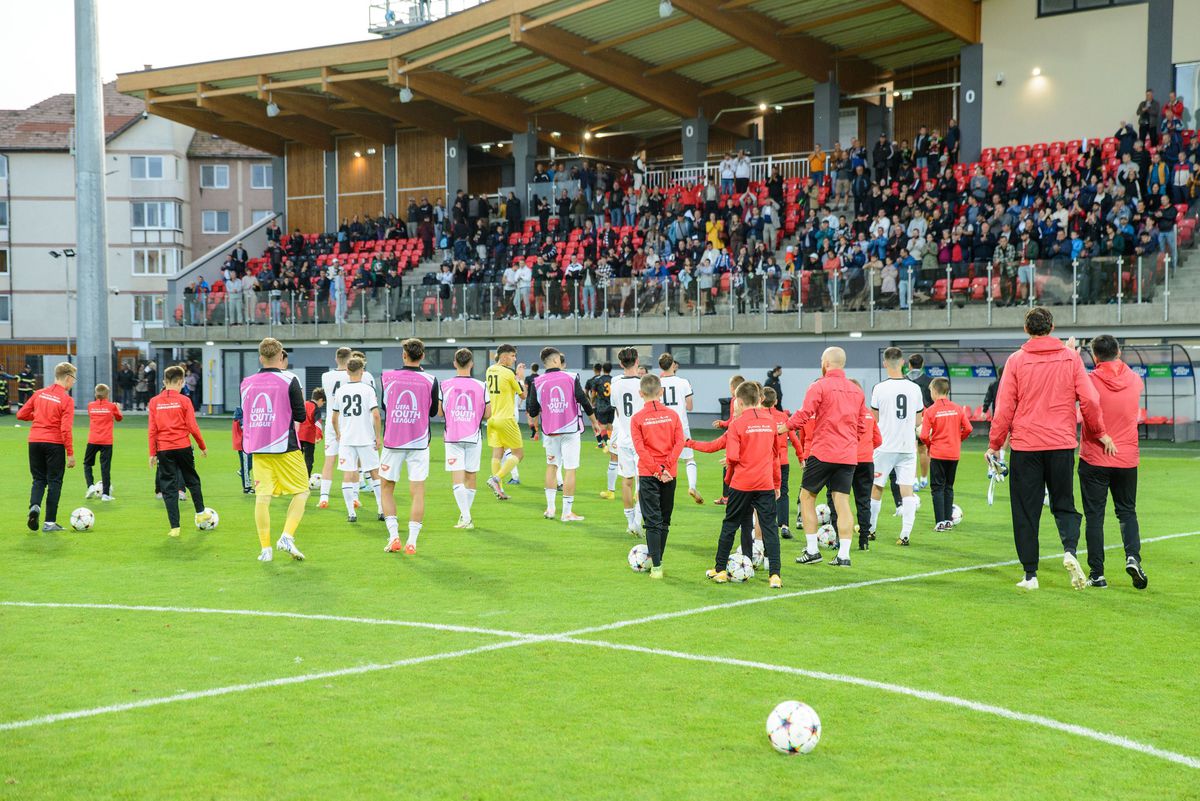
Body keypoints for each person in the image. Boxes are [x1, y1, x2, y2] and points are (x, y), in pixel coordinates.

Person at [987, 308, 1114, 591]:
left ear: (1026, 329)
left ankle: (1030, 575)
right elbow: (1090, 400)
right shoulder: (1070, 357)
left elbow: (1005, 406)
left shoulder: (1017, 360)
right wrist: (1098, 431)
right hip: (1061, 444)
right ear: (1053, 326)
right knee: (1064, 504)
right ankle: (1069, 549)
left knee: (1025, 511)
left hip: (1026, 446)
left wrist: (995, 444)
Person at [786, 347, 866, 567]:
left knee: (807, 497)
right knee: (842, 502)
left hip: (823, 452)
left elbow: (804, 415)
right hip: (848, 454)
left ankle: (812, 551)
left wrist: (784, 427)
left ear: (826, 363)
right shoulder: (856, 390)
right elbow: (861, 426)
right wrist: (848, 441)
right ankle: (844, 555)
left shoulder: (819, 386)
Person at [1078, 335, 1147, 589]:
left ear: (1095, 357)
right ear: (1118, 352)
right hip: (1126, 458)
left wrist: (1073, 356)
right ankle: (1133, 556)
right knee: (1127, 511)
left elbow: (1085, 405)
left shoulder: (1089, 381)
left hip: (1095, 457)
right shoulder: (1134, 379)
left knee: (1094, 517)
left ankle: (1097, 574)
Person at [702, 381, 783, 588]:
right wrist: (777, 483)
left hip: (742, 483)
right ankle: (775, 575)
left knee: (730, 524)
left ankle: (720, 570)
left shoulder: (736, 425)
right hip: (765, 482)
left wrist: (728, 478)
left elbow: (733, 457)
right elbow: (775, 456)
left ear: (738, 401)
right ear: (759, 399)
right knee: (769, 528)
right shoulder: (771, 422)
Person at [239, 338, 308, 562]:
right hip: (284, 445)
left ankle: (265, 549)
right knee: (302, 491)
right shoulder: (290, 379)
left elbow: (244, 413)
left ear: (261, 358)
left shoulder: (246, 382)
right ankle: (287, 536)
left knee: (263, 497)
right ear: (280, 357)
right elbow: (300, 415)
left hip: (258, 446)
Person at [380, 338, 439, 554]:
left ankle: (394, 536)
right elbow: (433, 412)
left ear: (404, 355)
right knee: (418, 492)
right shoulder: (431, 380)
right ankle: (412, 541)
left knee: (386, 488)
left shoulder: (387, 377)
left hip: (393, 441)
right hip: (419, 442)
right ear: (422, 356)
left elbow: (386, 405)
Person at [527, 347, 599, 522]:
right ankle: (567, 512)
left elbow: (532, 408)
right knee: (570, 469)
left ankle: (550, 509)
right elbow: (583, 400)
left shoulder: (537, 382)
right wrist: (594, 422)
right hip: (570, 430)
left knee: (551, 466)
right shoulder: (571, 377)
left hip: (550, 431)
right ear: (555, 360)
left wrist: (535, 425)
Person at [869, 348, 927, 546]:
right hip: (907, 446)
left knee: (877, 487)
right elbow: (919, 419)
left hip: (884, 445)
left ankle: (870, 530)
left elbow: (874, 419)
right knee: (907, 490)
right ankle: (905, 535)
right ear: (902, 362)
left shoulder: (879, 388)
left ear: (885, 363)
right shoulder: (914, 389)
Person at [631, 373, 685, 579]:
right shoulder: (673, 416)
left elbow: (640, 448)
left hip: (648, 473)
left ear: (640, 393)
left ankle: (657, 566)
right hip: (669, 474)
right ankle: (657, 559)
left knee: (652, 520)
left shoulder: (637, 419)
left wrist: (656, 469)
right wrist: (666, 467)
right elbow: (680, 443)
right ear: (661, 392)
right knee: (664, 519)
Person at [148, 364, 212, 539]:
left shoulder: (154, 402)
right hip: (183, 446)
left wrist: (152, 453)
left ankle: (175, 527)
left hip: (164, 449)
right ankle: (200, 512)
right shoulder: (185, 401)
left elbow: (152, 429)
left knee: (168, 486)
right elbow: (192, 426)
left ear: (164, 381)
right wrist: (202, 445)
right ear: (182, 382)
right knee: (192, 479)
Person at [18, 361, 76, 532]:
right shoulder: (66, 399)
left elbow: (21, 414)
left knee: (38, 479)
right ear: (68, 378)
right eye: (74, 379)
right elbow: (65, 429)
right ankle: (49, 522)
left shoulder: (39, 393)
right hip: (54, 443)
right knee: (54, 481)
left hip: (34, 441)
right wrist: (70, 453)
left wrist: (38, 418)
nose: (73, 382)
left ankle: (34, 506)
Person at [440, 348, 490, 530]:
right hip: (473, 436)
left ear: (454, 363)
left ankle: (466, 517)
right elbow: (488, 414)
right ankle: (466, 516)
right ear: (472, 364)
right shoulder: (482, 385)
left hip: (453, 436)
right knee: (471, 476)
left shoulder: (445, 385)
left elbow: (439, 412)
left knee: (457, 478)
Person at [331, 357, 383, 523]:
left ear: (347, 371)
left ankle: (351, 513)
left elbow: (334, 417)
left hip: (347, 438)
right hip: (366, 438)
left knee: (348, 473)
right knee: (374, 472)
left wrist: (338, 433)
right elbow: (375, 415)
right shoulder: (368, 390)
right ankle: (381, 509)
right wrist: (378, 436)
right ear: (362, 371)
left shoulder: (340, 391)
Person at [920, 377, 972, 531]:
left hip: (938, 453)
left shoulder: (930, 411)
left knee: (937, 488)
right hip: (953, 453)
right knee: (948, 487)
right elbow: (968, 428)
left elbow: (923, 436)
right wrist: (958, 439)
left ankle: (940, 522)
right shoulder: (957, 408)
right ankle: (948, 521)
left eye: (930, 391)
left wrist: (931, 445)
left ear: (934, 391)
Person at [608, 347, 645, 536]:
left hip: (623, 437)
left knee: (626, 480)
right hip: (641, 439)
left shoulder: (615, 384)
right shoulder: (643, 384)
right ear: (637, 361)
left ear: (621, 364)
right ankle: (637, 521)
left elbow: (616, 412)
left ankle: (630, 522)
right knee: (643, 481)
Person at [657, 353, 703, 504]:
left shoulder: (656, 383)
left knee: (663, 459)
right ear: (673, 365)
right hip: (680, 425)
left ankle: (658, 490)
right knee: (689, 458)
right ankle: (692, 486)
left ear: (660, 367)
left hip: (662, 425)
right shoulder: (683, 382)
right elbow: (690, 406)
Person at [485, 343, 526, 500]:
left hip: (493, 419)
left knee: (497, 453)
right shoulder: (509, 373)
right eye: (512, 355)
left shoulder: (489, 370)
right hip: (506, 419)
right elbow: (522, 395)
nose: (514, 359)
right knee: (519, 454)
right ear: (503, 356)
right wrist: (520, 378)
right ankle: (495, 479)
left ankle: (499, 490)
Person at [761, 387, 801, 541]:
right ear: (776, 401)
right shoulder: (783, 416)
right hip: (782, 460)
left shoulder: (759, 417)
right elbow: (794, 437)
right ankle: (784, 526)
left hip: (764, 461)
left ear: (761, 399)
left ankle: (765, 526)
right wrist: (801, 456)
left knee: (764, 493)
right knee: (783, 492)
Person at [83, 383, 122, 502]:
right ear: (107, 395)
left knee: (87, 464)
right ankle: (105, 494)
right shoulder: (111, 406)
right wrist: (118, 408)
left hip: (93, 439)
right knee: (105, 467)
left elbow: (91, 415)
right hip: (106, 441)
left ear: (95, 394)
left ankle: (90, 486)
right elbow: (119, 418)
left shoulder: (90, 405)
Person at [906, 354, 935, 490]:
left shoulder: (903, 381)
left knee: (911, 450)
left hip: (907, 418)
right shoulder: (929, 381)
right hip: (924, 417)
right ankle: (924, 479)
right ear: (922, 364)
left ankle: (914, 480)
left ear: (909, 365)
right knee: (923, 450)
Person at [298, 388, 325, 477]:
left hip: (298, 436)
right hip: (309, 437)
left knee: (297, 459)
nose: (322, 405)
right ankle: (306, 480)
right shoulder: (315, 408)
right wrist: (319, 436)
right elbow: (318, 423)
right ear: (320, 400)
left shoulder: (303, 404)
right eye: (323, 403)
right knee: (308, 460)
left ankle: (295, 480)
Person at [231, 406, 253, 495]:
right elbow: (244, 427)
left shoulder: (239, 411)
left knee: (248, 464)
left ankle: (242, 472)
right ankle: (247, 488)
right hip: (243, 444)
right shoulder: (241, 412)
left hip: (244, 444)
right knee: (246, 465)